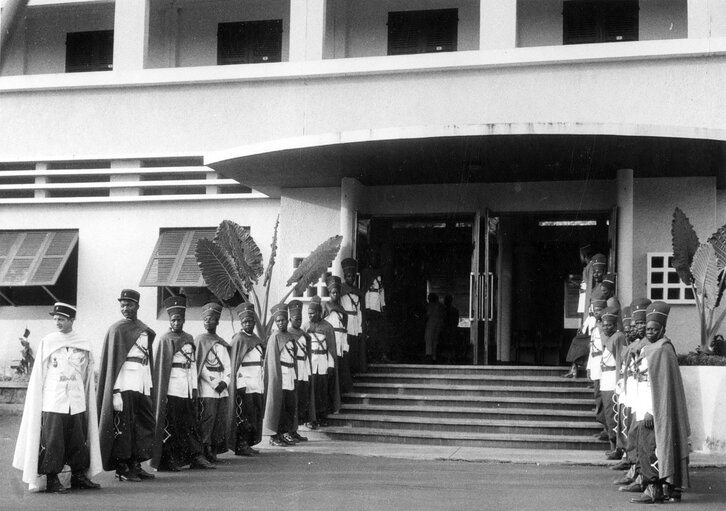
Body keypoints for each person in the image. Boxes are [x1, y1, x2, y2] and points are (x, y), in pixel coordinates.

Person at [13, 303, 101, 493]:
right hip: (54, 399)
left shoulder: (82, 343)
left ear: (71, 320)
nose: (57, 322)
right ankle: (52, 478)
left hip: (76, 399)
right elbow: (40, 374)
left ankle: (78, 476)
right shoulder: (49, 341)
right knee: (53, 440)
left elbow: (86, 372)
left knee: (78, 439)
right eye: (55, 319)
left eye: (61, 319)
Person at [630, 301, 690, 504]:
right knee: (645, 446)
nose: (650, 332)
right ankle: (661, 488)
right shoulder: (648, 347)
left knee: (652, 447)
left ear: (663, 329)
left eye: (655, 329)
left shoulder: (664, 350)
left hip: (655, 410)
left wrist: (650, 411)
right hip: (644, 404)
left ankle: (653, 490)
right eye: (648, 329)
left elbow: (662, 388)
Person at [97, 289, 157, 482]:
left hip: (140, 383)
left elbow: (146, 361)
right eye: (122, 305)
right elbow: (114, 365)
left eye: (129, 305)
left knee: (141, 425)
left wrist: (148, 386)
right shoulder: (116, 330)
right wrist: (114, 393)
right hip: (123, 385)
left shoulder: (144, 330)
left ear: (137, 306)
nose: (125, 308)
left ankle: (136, 464)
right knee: (124, 426)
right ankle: (122, 467)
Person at [151, 296, 214, 471]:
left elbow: (193, 363)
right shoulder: (165, 339)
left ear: (184, 320)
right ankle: (169, 459)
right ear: (170, 321)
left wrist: (194, 387)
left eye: (180, 319)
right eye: (174, 320)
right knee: (172, 425)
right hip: (172, 388)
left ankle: (195, 457)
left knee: (190, 423)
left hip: (187, 387)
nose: (177, 323)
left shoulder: (188, 338)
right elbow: (163, 369)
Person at [195, 302, 231, 463]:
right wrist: (214, 383)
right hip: (208, 386)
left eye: (213, 319)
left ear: (217, 322)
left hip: (222, 386)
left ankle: (215, 447)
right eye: (206, 319)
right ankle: (205, 447)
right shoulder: (200, 341)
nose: (209, 322)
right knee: (208, 417)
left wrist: (225, 381)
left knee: (220, 417)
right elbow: (200, 366)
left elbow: (228, 365)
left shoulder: (221, 342)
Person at [227, 302, 265, 456]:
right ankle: (241, 444)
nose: (248, 324)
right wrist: (240, 383)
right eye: (245, 322)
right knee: (245, 414)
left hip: (257, 381)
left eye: (250, 321)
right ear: (241, 324)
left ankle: (249, 442)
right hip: (246, 383)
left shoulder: (256, 339)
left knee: (255, 413)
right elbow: (235, 364)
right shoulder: (238, 340)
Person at [564, 252, 608, 377]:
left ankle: (580, 371)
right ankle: (574, 368)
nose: (596, 274)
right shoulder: (594, 287)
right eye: (594, 272)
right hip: (591, 319)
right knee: (578, 339)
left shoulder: (605, 287)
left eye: (599, 272)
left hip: (600, 322)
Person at [262, 303, 300, 446]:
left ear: (287, 320)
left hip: (289, 374)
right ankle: (274, 436)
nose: (280, 323)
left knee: (288, 405)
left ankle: (284, 433)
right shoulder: (274, 337)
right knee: (278, 405)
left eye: (283, 320)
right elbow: (272, 362)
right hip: (280, 375)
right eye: (278, 321)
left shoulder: (290, 336)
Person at [305, 296, 340, 428]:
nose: (310, 316)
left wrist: (331, 365)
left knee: (322, 392)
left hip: (323, 363)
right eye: (309, 313)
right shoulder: (306, 326)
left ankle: (321, 417)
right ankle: (310, 419)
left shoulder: (328, 327)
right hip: (311, 364)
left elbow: (331, 348)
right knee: (311, 392)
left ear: (319, 313)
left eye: (313, 313)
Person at [599, 306, 627, 460]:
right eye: (604, 324)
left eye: (609, 324)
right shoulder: (608, 338)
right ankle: (613, 446)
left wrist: (619, 381)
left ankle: (618, 448)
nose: (606, 327)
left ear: (615, 325)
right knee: (608, 414)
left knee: (613, 414)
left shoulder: (618, 337)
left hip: (612, 379)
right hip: (605, 378)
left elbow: (620, 360)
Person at [585, 291, 608, 441]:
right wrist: (589, 367)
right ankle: (604, 426)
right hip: (595, 366)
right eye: (595, 309)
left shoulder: (605, 328)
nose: (597, 312)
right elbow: (592, 349)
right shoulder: (594, 327)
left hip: (603, 368)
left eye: (600, 309)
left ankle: (607, 428)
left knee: (602, 398)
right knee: (597, 396)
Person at [288, 300, 312, 438]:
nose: (298, 322)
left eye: (300, 319)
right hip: (293, 370)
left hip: (303, 369)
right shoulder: (288, 334)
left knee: (300, 400)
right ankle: (289, 430)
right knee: (292, 400)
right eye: (296, 319)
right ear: (290, 319)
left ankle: (295, 429)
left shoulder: (303, 334)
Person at [324, 275, 351, 394]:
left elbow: (344, 329)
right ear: (329, 293)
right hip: (329, 343)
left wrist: (345, 346)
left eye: (337, 293)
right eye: (333, 293)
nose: (335, 295)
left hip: (340, 343)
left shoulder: (341, 308)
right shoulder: (325, 306)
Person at [340, 258, 366, 374]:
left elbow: (360, 311)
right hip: (346, 323)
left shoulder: (358, 291)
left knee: (354, 348)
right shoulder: (341, 291)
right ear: (345, 276)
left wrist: (360, 328)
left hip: (355, 323)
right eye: (348, 276)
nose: (351, 278)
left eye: (352, 276)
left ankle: (353, 372)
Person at [424, 293, 446, 363]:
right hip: (439, 324)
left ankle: (429, 356)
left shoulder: (431, 305)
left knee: (428, 339)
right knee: (435, 340)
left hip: (431, 324)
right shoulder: (441, 306)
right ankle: (434, 357)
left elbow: (428, 314)